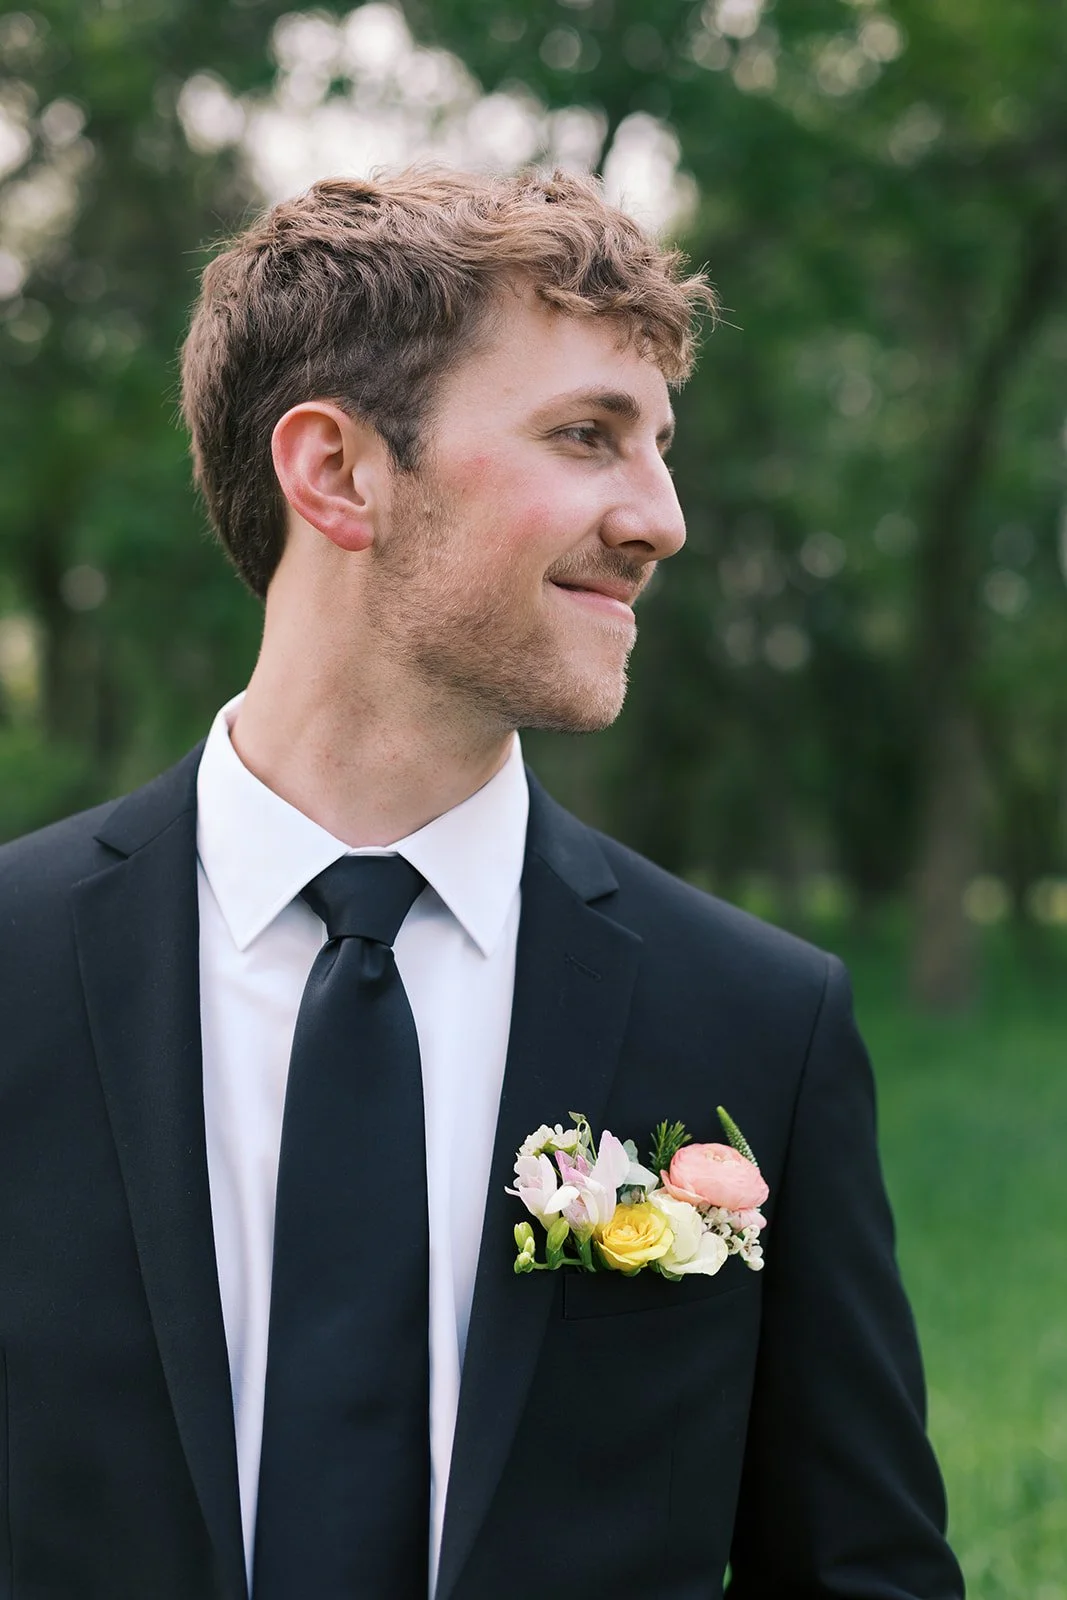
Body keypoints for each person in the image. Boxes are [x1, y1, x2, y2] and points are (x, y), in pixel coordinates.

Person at [0, 168, 964, 1600]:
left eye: (659, 448)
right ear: (337, 473)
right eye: (586, 435)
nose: (661, 520)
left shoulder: (761, 1023)